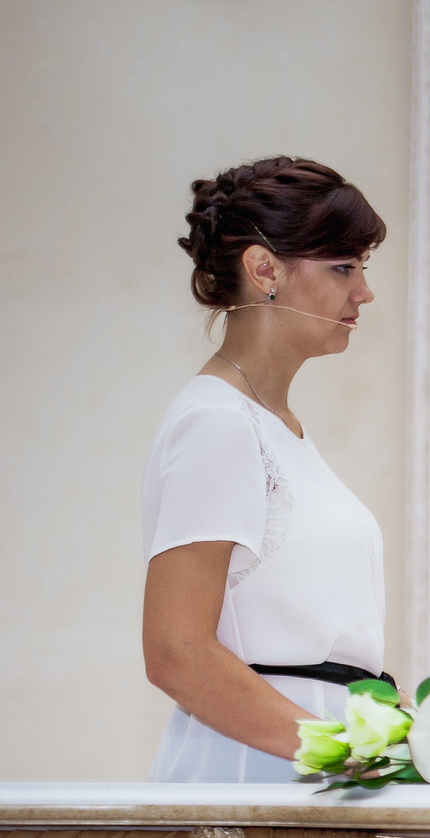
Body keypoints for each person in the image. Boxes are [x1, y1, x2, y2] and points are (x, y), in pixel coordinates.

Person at [142, 157, 390, 782]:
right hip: (258, 770)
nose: (363, 292)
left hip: (312, 768)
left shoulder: (276, 428)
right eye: (343, 267)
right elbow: (177, 652)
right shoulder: (218, 423)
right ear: (263, 270)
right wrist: (348, 754)